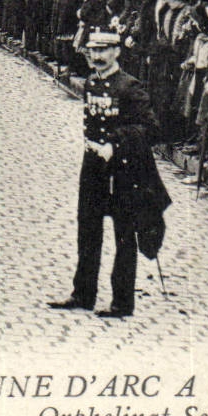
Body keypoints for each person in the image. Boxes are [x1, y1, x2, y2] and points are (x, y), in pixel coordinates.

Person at [49, 30, 171, 319]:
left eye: (104, 50)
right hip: (93, 166)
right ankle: (82, 293)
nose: (97, 56)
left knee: (124, 236)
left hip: (124, 169)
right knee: (87, 230)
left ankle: (122, 302)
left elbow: (152, 130)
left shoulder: (130, 87)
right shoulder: (92, 82)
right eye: (93, 50)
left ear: (117, 51)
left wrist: (115, 144)